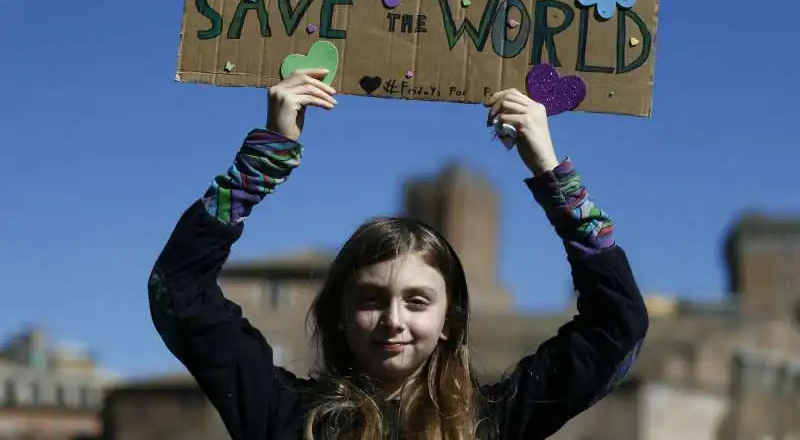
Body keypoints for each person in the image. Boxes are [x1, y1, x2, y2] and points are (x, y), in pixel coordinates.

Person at [148, 68, 649, 440]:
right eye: (370, 299)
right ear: (338, 314)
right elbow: (179, 290)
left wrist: (550, 171)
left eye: (417, 301)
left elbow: (617, 327)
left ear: (450, 319)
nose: (393, 320)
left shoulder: (491, 423)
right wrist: (264, 158)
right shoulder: (283, 416)